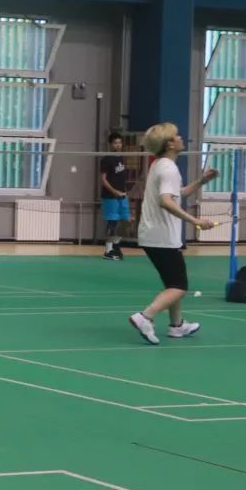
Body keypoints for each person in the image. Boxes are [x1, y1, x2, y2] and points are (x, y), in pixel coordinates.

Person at [128, 122, 218, 345]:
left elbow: (178, 194)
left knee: (173, 283)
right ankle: (145, 317)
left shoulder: (160, 164)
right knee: (179, 287)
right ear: (169, 144)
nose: (181, 138)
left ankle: (177, 326)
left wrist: (201, 181)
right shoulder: (168, 168)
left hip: (154, 235)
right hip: (162, 237)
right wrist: (196, 221)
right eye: (177, 136)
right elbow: (166, 201)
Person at [100, 132, 130, 260]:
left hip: (122, 195)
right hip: (110, 196)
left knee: (126, 222)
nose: (118, 145)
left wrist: (124, 191)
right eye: (115, 143)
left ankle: (116, 244)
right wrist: (114, 191)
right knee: (112, 222)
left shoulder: (122, 158)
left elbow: (121, 177)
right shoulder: (106, 159)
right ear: (110, 144)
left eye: (119, 143)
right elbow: (103, 180)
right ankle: (108, 250)